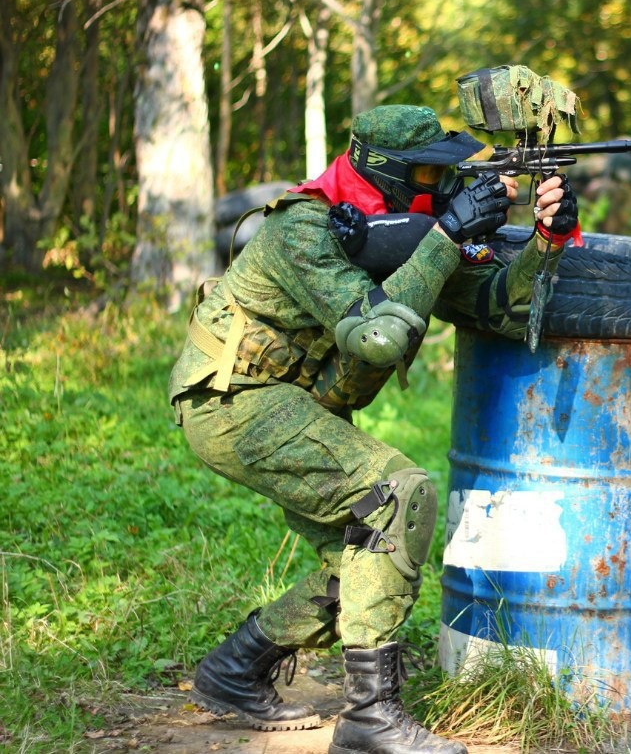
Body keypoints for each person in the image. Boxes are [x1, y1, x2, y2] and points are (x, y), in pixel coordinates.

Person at [167, 104, 579, 754]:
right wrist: (446, 236)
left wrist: (547, 238)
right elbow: (379, 335)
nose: (444, 185)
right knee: (398, 492)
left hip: (298, 402)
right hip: (233, 399)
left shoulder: (410, 229)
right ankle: (369, 717)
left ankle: (234, 668)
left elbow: (502, 307)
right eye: (428, 172)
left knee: (360, 569)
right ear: (388, 173)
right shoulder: (303, 229)